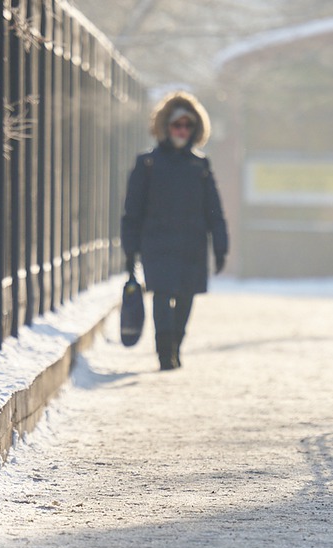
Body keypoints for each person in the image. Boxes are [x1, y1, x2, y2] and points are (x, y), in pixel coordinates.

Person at [120, 91, 230, 371]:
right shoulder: (147, 164)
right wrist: (130, 249)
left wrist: (220, 247)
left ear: (196, 128)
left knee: (185, 297)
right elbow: (132, 211)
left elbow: (214, 211)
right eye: (177, 124)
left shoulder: (200, 165)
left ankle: (176, 345)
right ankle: (164, 353)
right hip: (156, 243)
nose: (182, 130)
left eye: (187, 125)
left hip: (192, 244)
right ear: (165, 126)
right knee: (161, 294)